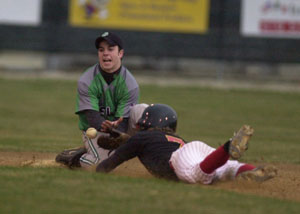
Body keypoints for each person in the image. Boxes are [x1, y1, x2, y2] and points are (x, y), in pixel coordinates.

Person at [96, 104, 277, 184]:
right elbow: (144, 144)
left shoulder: (141, 138)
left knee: (195, 174)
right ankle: (252, 170)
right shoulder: (176, 138)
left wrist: (97, 172)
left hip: (181, 159)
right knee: (225, 169)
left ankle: (230, 146)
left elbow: (112, 162)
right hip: (193, 148)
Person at [56, 32, 141, 169]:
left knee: (142, 111)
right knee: (101, 164)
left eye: (110, 49)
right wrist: (106, 127)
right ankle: (75, 158)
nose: (105, 53)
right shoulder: (87, 80)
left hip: (120, 130)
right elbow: (92, 118)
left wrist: (116, 132)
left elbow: (124, 121)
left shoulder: (130, 84)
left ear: (120, 53)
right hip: (94, 129)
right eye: (101, 50)